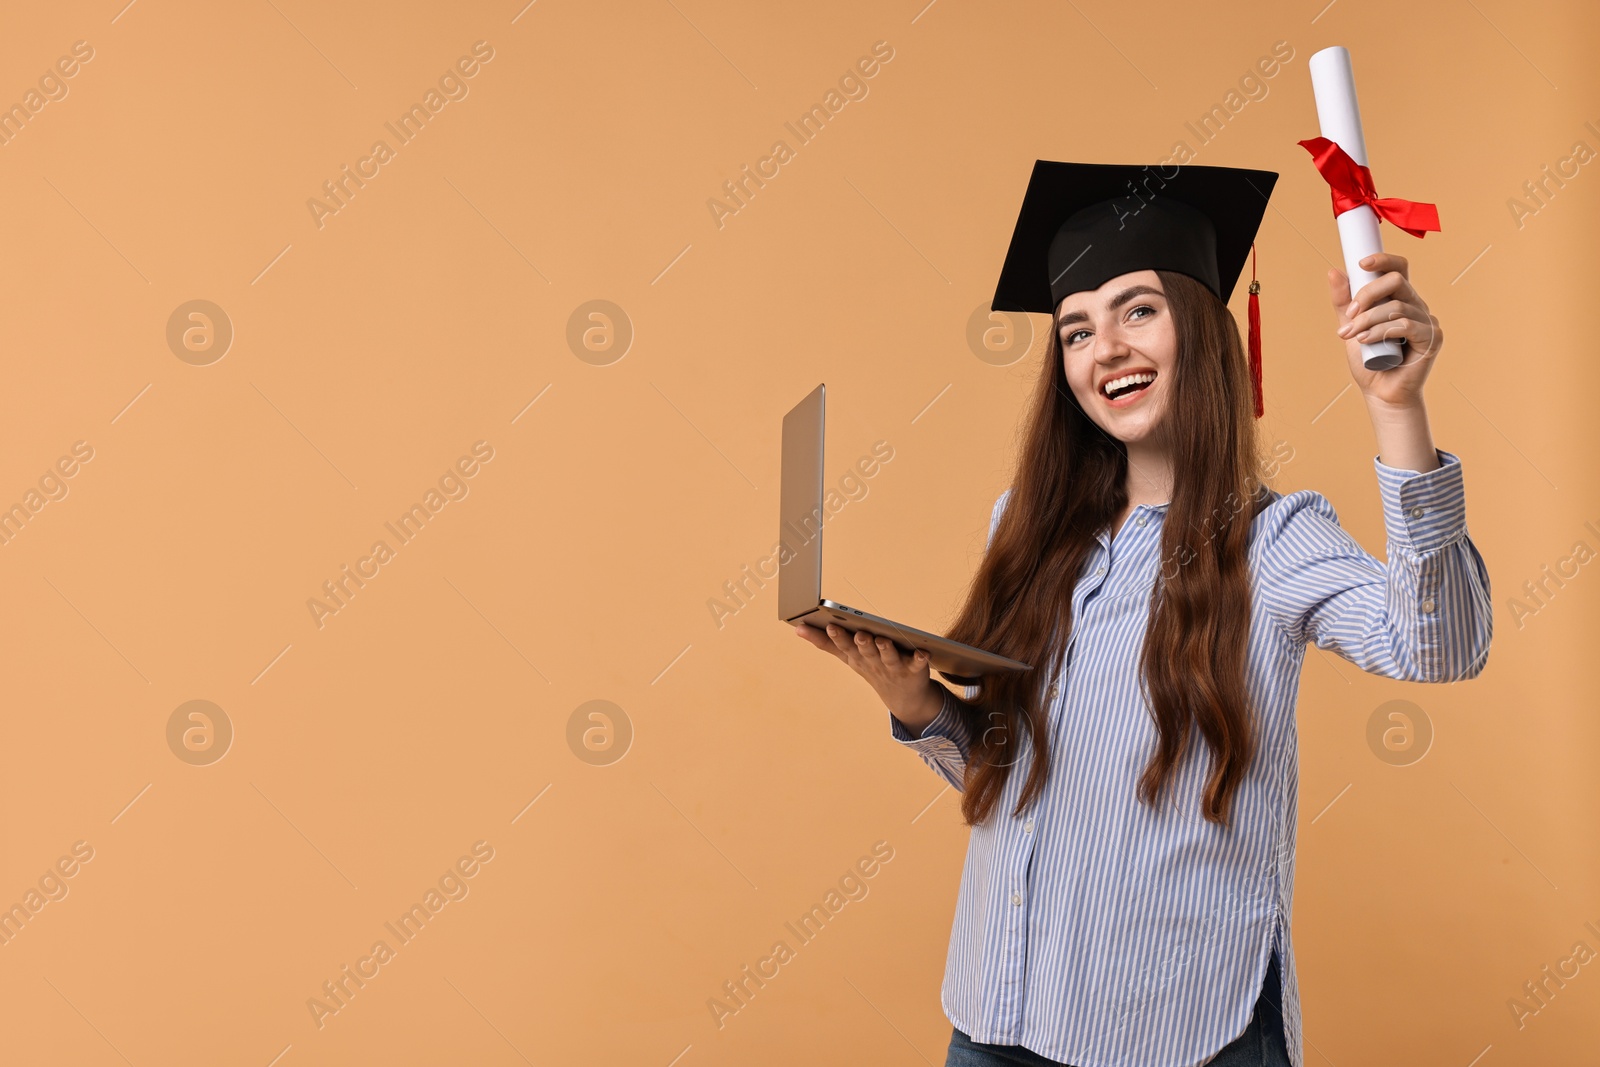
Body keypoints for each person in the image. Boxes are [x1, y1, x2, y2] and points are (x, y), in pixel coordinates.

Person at [792, 161, 1493, 1067]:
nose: (1104, 348)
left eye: (1137, 310)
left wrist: (1398, 409)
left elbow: (1439, 645)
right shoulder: (1033, 529)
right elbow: (1022, 782)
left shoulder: (1273, 540)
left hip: (1182, 1030)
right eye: (1076, 330)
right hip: (999, 1014)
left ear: (1202, 330)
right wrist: (919, 706)